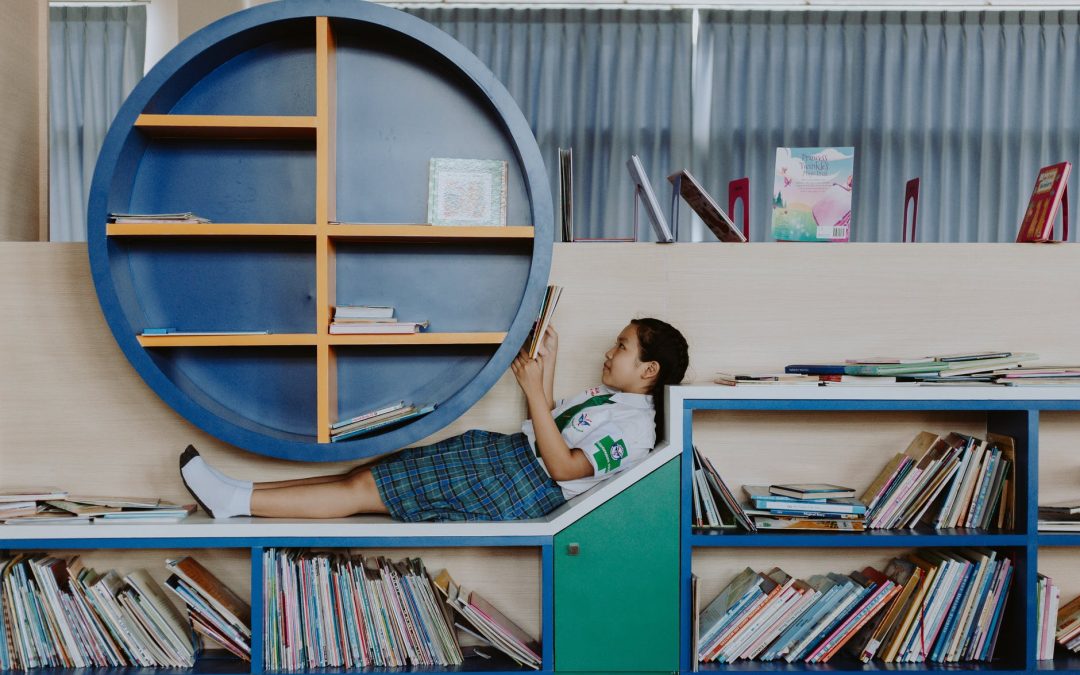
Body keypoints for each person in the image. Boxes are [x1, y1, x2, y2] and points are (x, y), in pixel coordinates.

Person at [179, 317, 689, 522]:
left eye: (621, 347)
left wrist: (533, 390)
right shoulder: (611, 399)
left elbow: (562, 467)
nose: (609, 351)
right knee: (366, 477)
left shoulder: (635, 428)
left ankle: (237, 502)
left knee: (366, 489)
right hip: (507, 458)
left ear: (649, 369)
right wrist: (544, 371)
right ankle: (242, 494)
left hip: (520, 480)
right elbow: (549, 429)